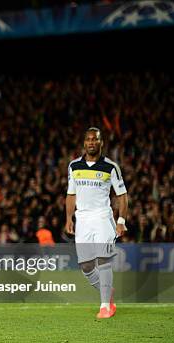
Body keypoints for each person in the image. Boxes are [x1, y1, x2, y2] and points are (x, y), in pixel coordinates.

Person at [65, 127, 128, 319]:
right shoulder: (74, 166)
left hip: (102, 218)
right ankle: (107, 291)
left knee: (103, 259)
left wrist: (121, 220)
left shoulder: (110, 167)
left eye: (95, 139)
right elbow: (71, 194)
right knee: (85, 266)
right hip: (82, 219)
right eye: (88, 139)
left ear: (101, 143)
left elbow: (122, 195)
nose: (92, 142)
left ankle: (105, 306)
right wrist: (69, 218)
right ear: (84, 143)